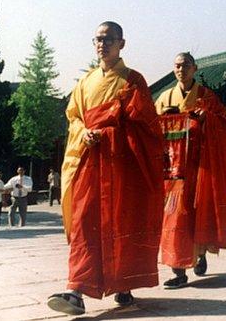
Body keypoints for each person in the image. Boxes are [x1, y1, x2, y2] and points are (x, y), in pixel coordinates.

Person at [47, 21, 164, 316]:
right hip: (90, 160)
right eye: (98, 39)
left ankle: (122, 284)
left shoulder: (133, 80)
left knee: (121, 222)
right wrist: (83, 131)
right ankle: (76, 290)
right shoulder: (85, 82)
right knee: (85, 221)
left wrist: (112, 128)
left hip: (121, 163)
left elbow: (147, 125)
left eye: (109, 39)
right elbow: (74, 117)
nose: (103, 44)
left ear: (121, 43)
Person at [156, 52, 226, 289]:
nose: (181, 69)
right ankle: (178, 270)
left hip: (199, 168)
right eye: (177, 65)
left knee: (197, 214)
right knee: (174, 218)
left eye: (186, 65)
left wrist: (207, 118)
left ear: (195, 68)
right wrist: (164, 119)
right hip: (171, 171)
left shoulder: (206, 96)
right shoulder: (164, 96)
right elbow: (150, 126)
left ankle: (199, 254)